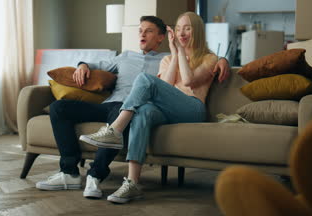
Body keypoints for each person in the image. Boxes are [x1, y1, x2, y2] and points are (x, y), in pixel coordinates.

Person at [36, 15, 230, 200]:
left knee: (140, 93)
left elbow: (192, 69)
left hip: (131, 108)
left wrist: (222, 59)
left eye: (149, 31)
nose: (142, 35)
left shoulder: (171, 56)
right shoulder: (127, 56)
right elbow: (98, 65)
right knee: (59, 108)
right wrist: (83, 65)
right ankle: (70, 172)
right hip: (112, 105)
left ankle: (96, 174)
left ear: (161, 37)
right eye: (140, 31)